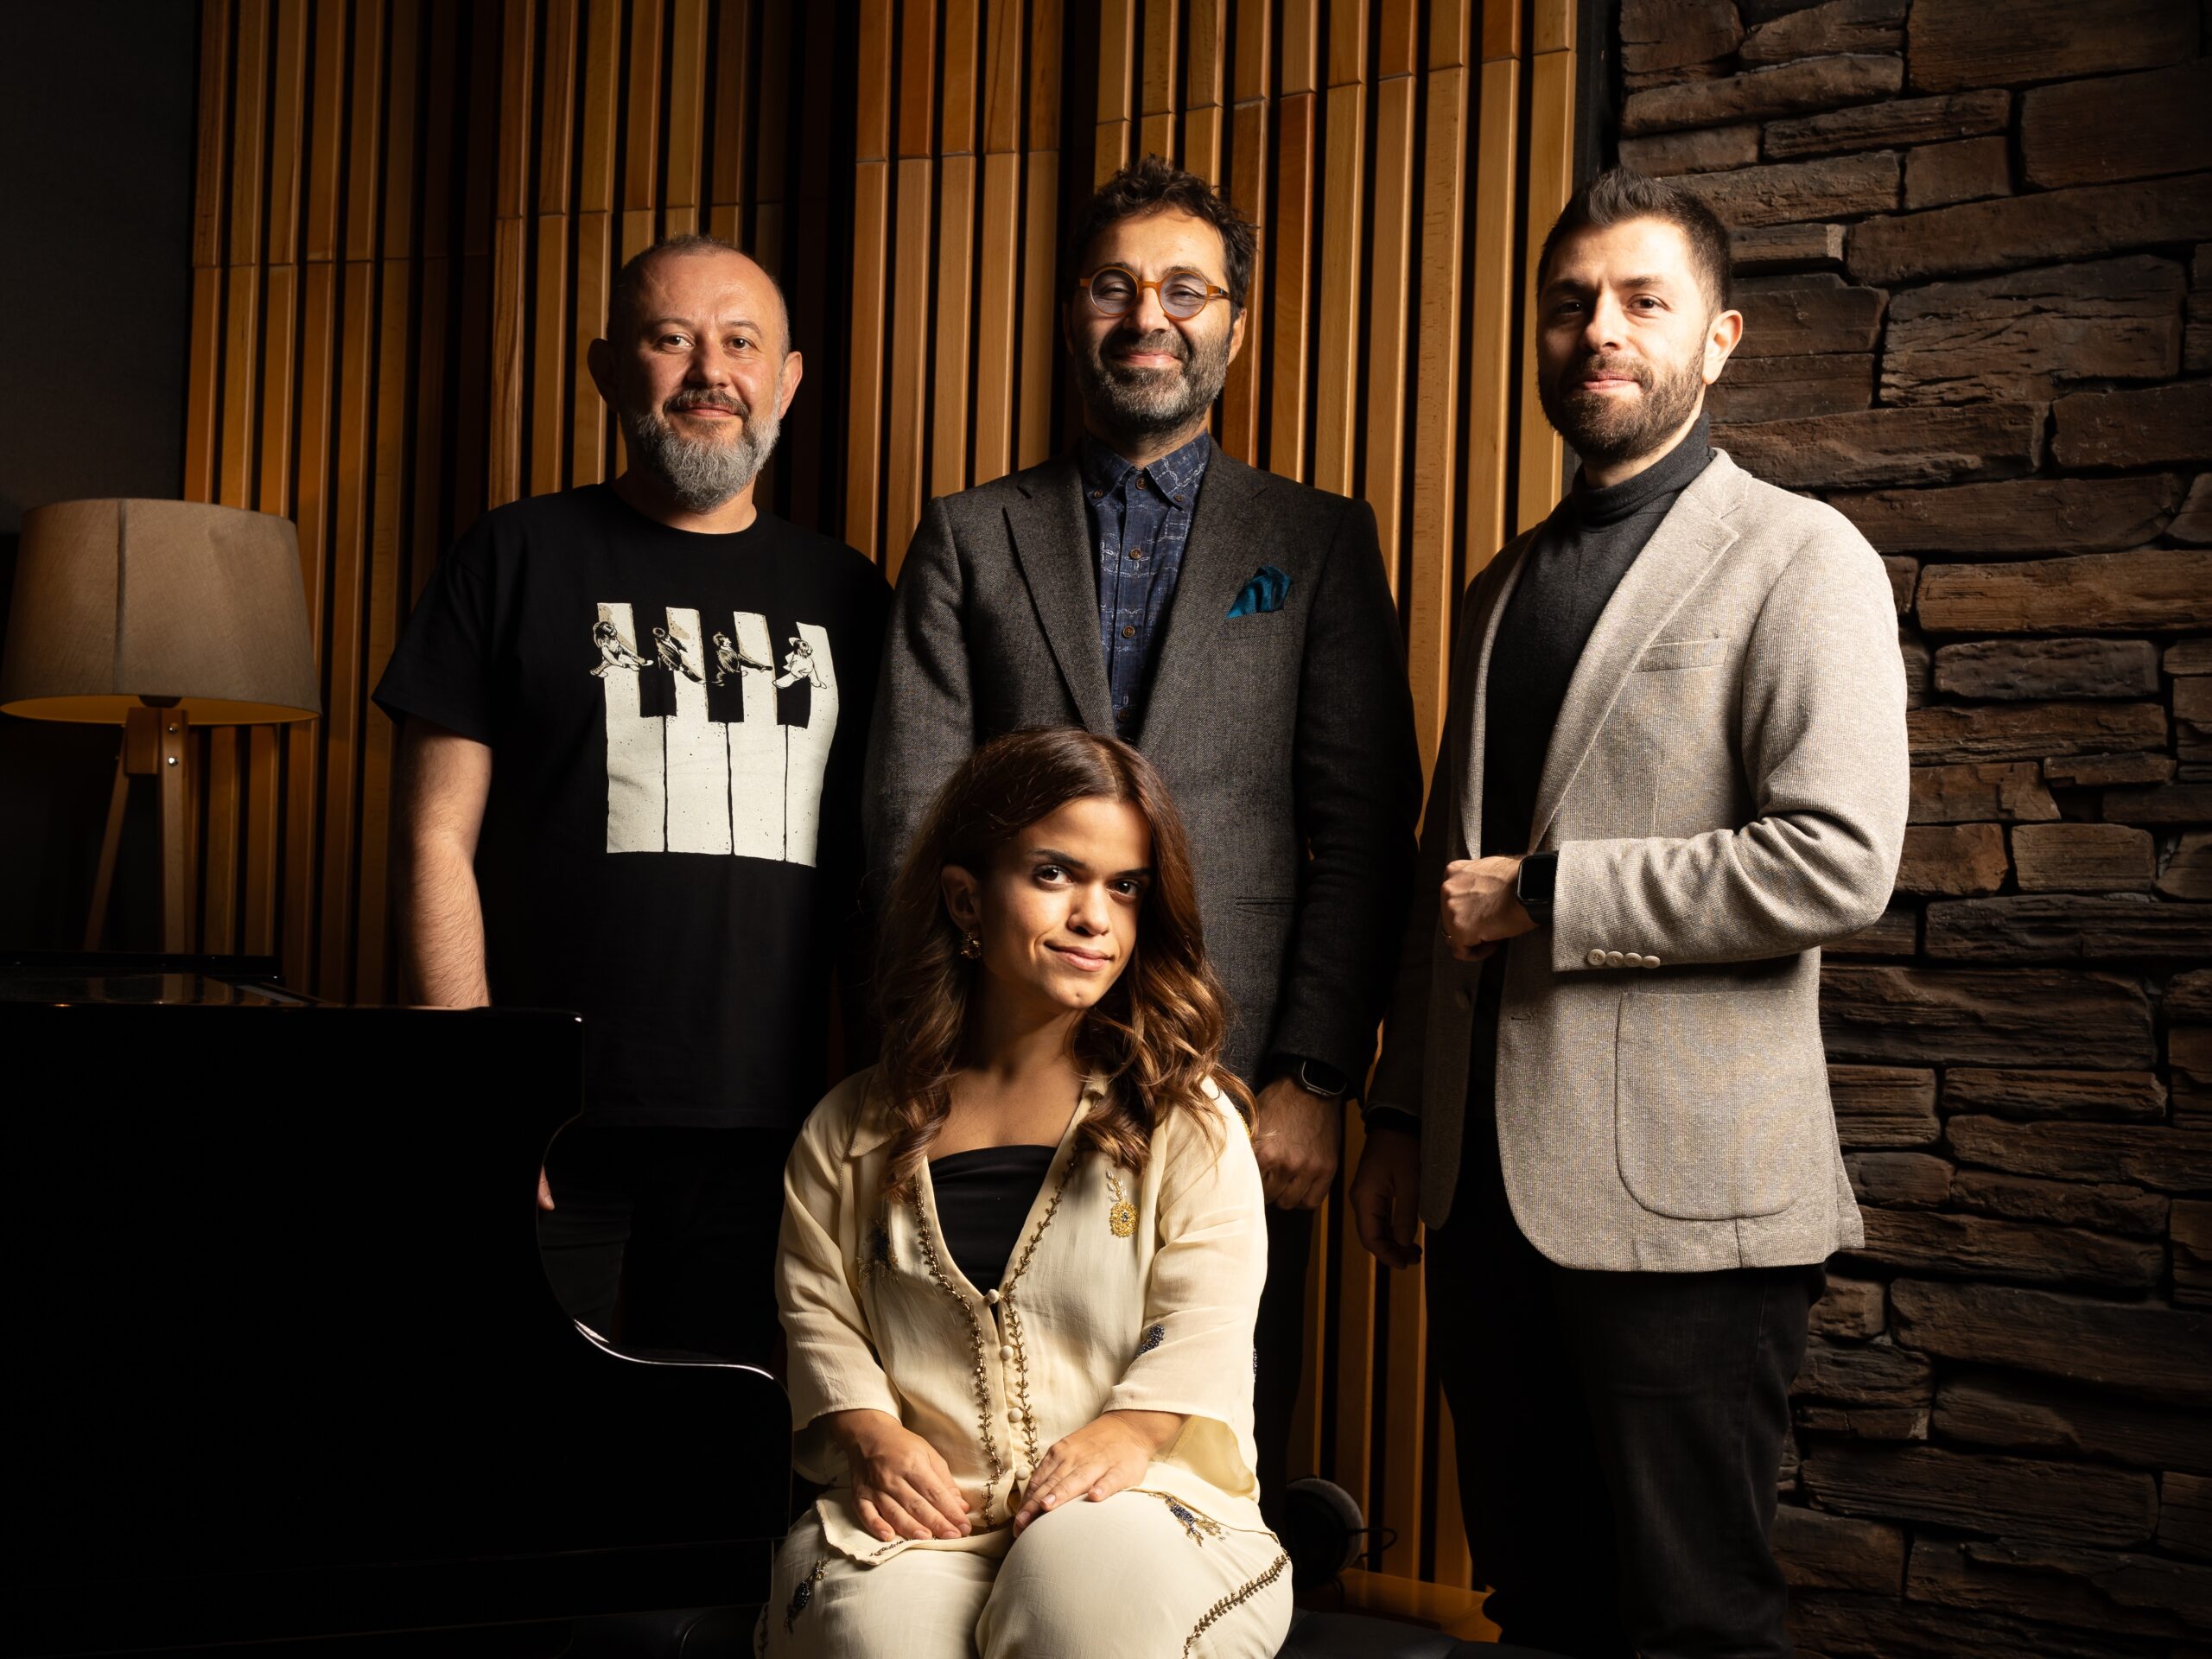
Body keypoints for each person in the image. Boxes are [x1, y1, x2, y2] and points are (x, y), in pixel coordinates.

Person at [1351, 168, 1909, 1658]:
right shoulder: (1498, 588)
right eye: (1570, 303)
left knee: (1692, 1620)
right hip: (1484, 1201)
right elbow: (1440, 878)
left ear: (1717, 339)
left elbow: (1837, 860)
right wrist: (1400, 1115)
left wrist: (1551, 895)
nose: (1600, 329)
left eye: (1643, 301)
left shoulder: (1804, 558)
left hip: (1689, 1214)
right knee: (1536, 1607)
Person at [863, 156, 1421, 1528]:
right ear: (1073, 310)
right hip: (996, 1078)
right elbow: (908, 825)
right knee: (984, 1445)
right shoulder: (969, 537)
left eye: (1186, 289)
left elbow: (1362, 836)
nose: (1148, 316)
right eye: (1115, 286)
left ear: (1234, 322)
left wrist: (1315, 1079)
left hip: (1237, 1088)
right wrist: (938, 1058)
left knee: (1203, 1456)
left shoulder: (1318, 541)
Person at [374, 234, 888, 1363]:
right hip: (552, 1130)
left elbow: (881, 882)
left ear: (788, 379)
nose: (711, 372)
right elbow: (431, 841)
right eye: (671, 339)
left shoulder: (852, 595)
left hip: (784, 1138)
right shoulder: (511, 556)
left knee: (722, 1454)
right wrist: (481, 1102)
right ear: (608, 369)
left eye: (741, 343)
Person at [767, 728, 1293, 1658]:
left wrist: (1132, 1428)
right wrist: (870, 1435)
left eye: (1125, 887)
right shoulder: (847, 1129)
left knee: (1072, 1588)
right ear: (966, 898)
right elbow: (817, 1315)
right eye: (1055, 875)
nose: (1095, 917)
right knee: (875, 1639)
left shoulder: (1187, 1118)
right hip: (918, 1523)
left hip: (1143, 1503)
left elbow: (1208, 1313)